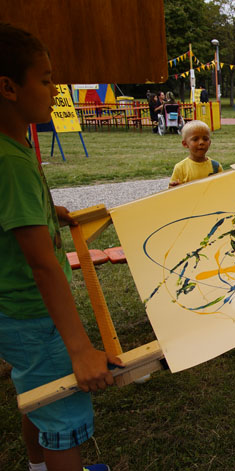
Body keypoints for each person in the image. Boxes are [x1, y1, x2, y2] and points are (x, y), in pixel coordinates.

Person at [0, 23, 122, 471]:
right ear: (8, 87)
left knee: (37, 396)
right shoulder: (11, 162)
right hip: (34, 313)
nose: (55, 91)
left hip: (15, 313)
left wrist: (46, 211)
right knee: (63, 414)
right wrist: (79, 348)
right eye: (47, 80)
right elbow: (42, 264)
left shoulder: (9, 146)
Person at [169, 120, 222, 187]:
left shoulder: (216, 167)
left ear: (209, 143)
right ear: (185, 144)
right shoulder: (180, 168)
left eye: (205, 139)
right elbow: (172, 191)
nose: (201, 142)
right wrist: (174, 187)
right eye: (195, 139)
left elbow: (223, 187)